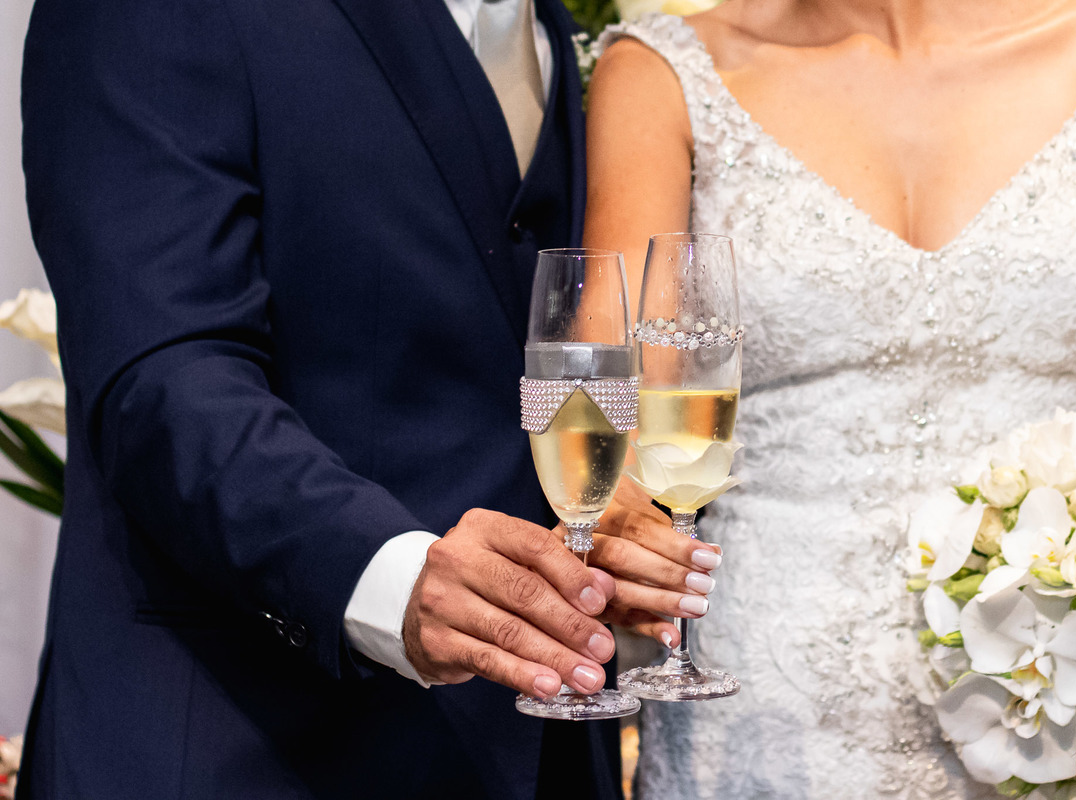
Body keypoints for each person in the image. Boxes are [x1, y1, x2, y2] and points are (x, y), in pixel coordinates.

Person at [15, 0, 719, 796]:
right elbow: (165, 377)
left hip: (537, 743)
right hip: (242, 746)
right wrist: (389, 575)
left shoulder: (544, 21)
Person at [584, 0, 1076, 796]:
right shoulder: (661, 72)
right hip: (765, 720)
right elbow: (613, 412)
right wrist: (621, 528)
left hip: (1072, 712)